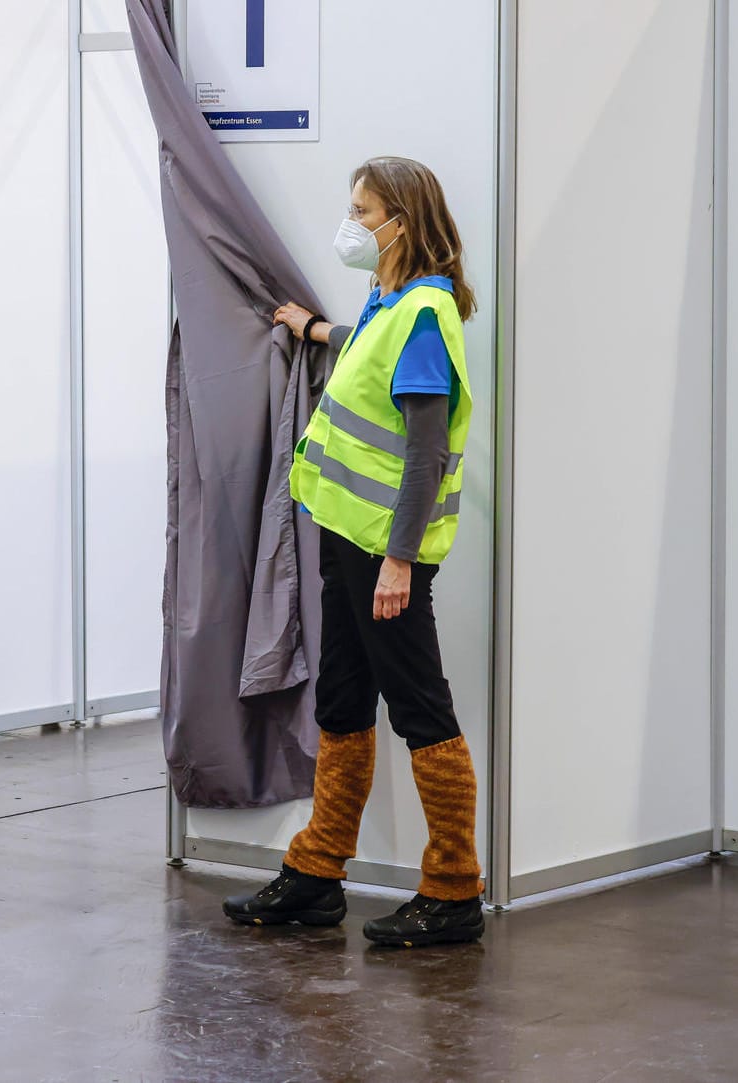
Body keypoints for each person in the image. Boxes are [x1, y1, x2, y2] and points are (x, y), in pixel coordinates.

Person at [222, 157, 485, 947]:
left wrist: (401, 561)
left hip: (386, 553)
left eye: (363, 211)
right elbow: (364, 350)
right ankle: (317, 872)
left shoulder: (426, 314)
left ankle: (453, 889)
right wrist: (313, 329)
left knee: (421, 709)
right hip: (349, 539)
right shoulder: (389, 301)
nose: (352, 224)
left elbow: (426, 452)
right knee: (341, 699)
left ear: (401, 221)